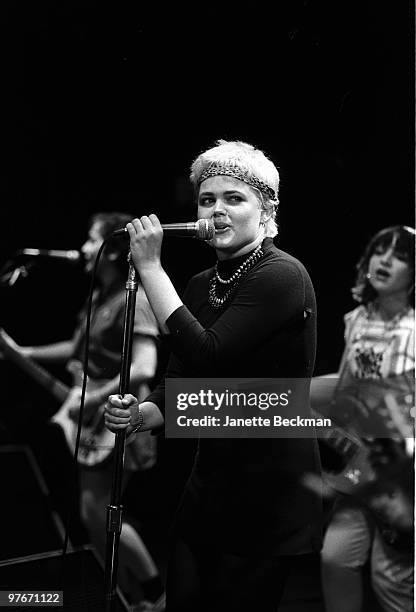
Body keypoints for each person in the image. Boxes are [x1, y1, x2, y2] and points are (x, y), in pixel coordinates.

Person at [105, 140, 323, 611]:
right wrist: (142, 414)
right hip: (210, 488)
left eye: (233, 198)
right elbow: (182, 378)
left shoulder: (283, 274)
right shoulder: (202, 284)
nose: (216, 210)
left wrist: (149, 268)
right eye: (207, 200)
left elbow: (209, 357)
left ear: (266, 212)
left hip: (268, 496)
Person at [13, 212, 165, 610]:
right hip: (95, 416)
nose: (82, 248)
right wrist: (22, 353)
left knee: (100, 513)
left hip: (119, 415)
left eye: (90, 239)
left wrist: (94, 399)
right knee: (90, 512)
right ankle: (129, 597)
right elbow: (76, 350)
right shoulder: (98, 297)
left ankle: (154, 592)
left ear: (113, 251)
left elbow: (144, 368)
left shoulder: (139, 297)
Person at [316, 225, 415, 612]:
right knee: (334, 558)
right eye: (379, 251)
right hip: (361, 465)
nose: (385, 260)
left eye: (401, 256)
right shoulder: (355, 320)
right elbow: (346, 388)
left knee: (391, 584)